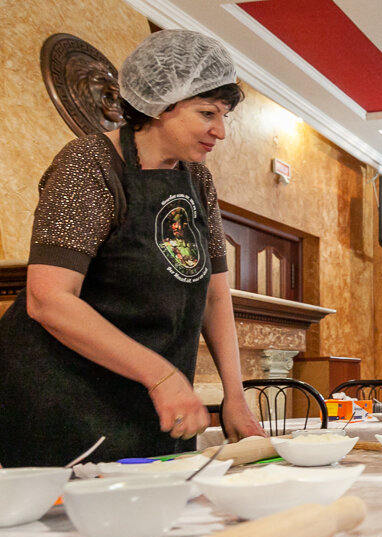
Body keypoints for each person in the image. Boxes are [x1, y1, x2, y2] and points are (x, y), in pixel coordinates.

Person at [0, 30, 265, 467]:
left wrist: (233, 396)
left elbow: (215, 295)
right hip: (61, 401)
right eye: (207, 113)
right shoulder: (87, 164)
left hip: (149, 404)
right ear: (161, 104)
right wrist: (160, 376)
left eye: (223, 116)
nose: (220, 130)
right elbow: (48, 300)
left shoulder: (197, 180)